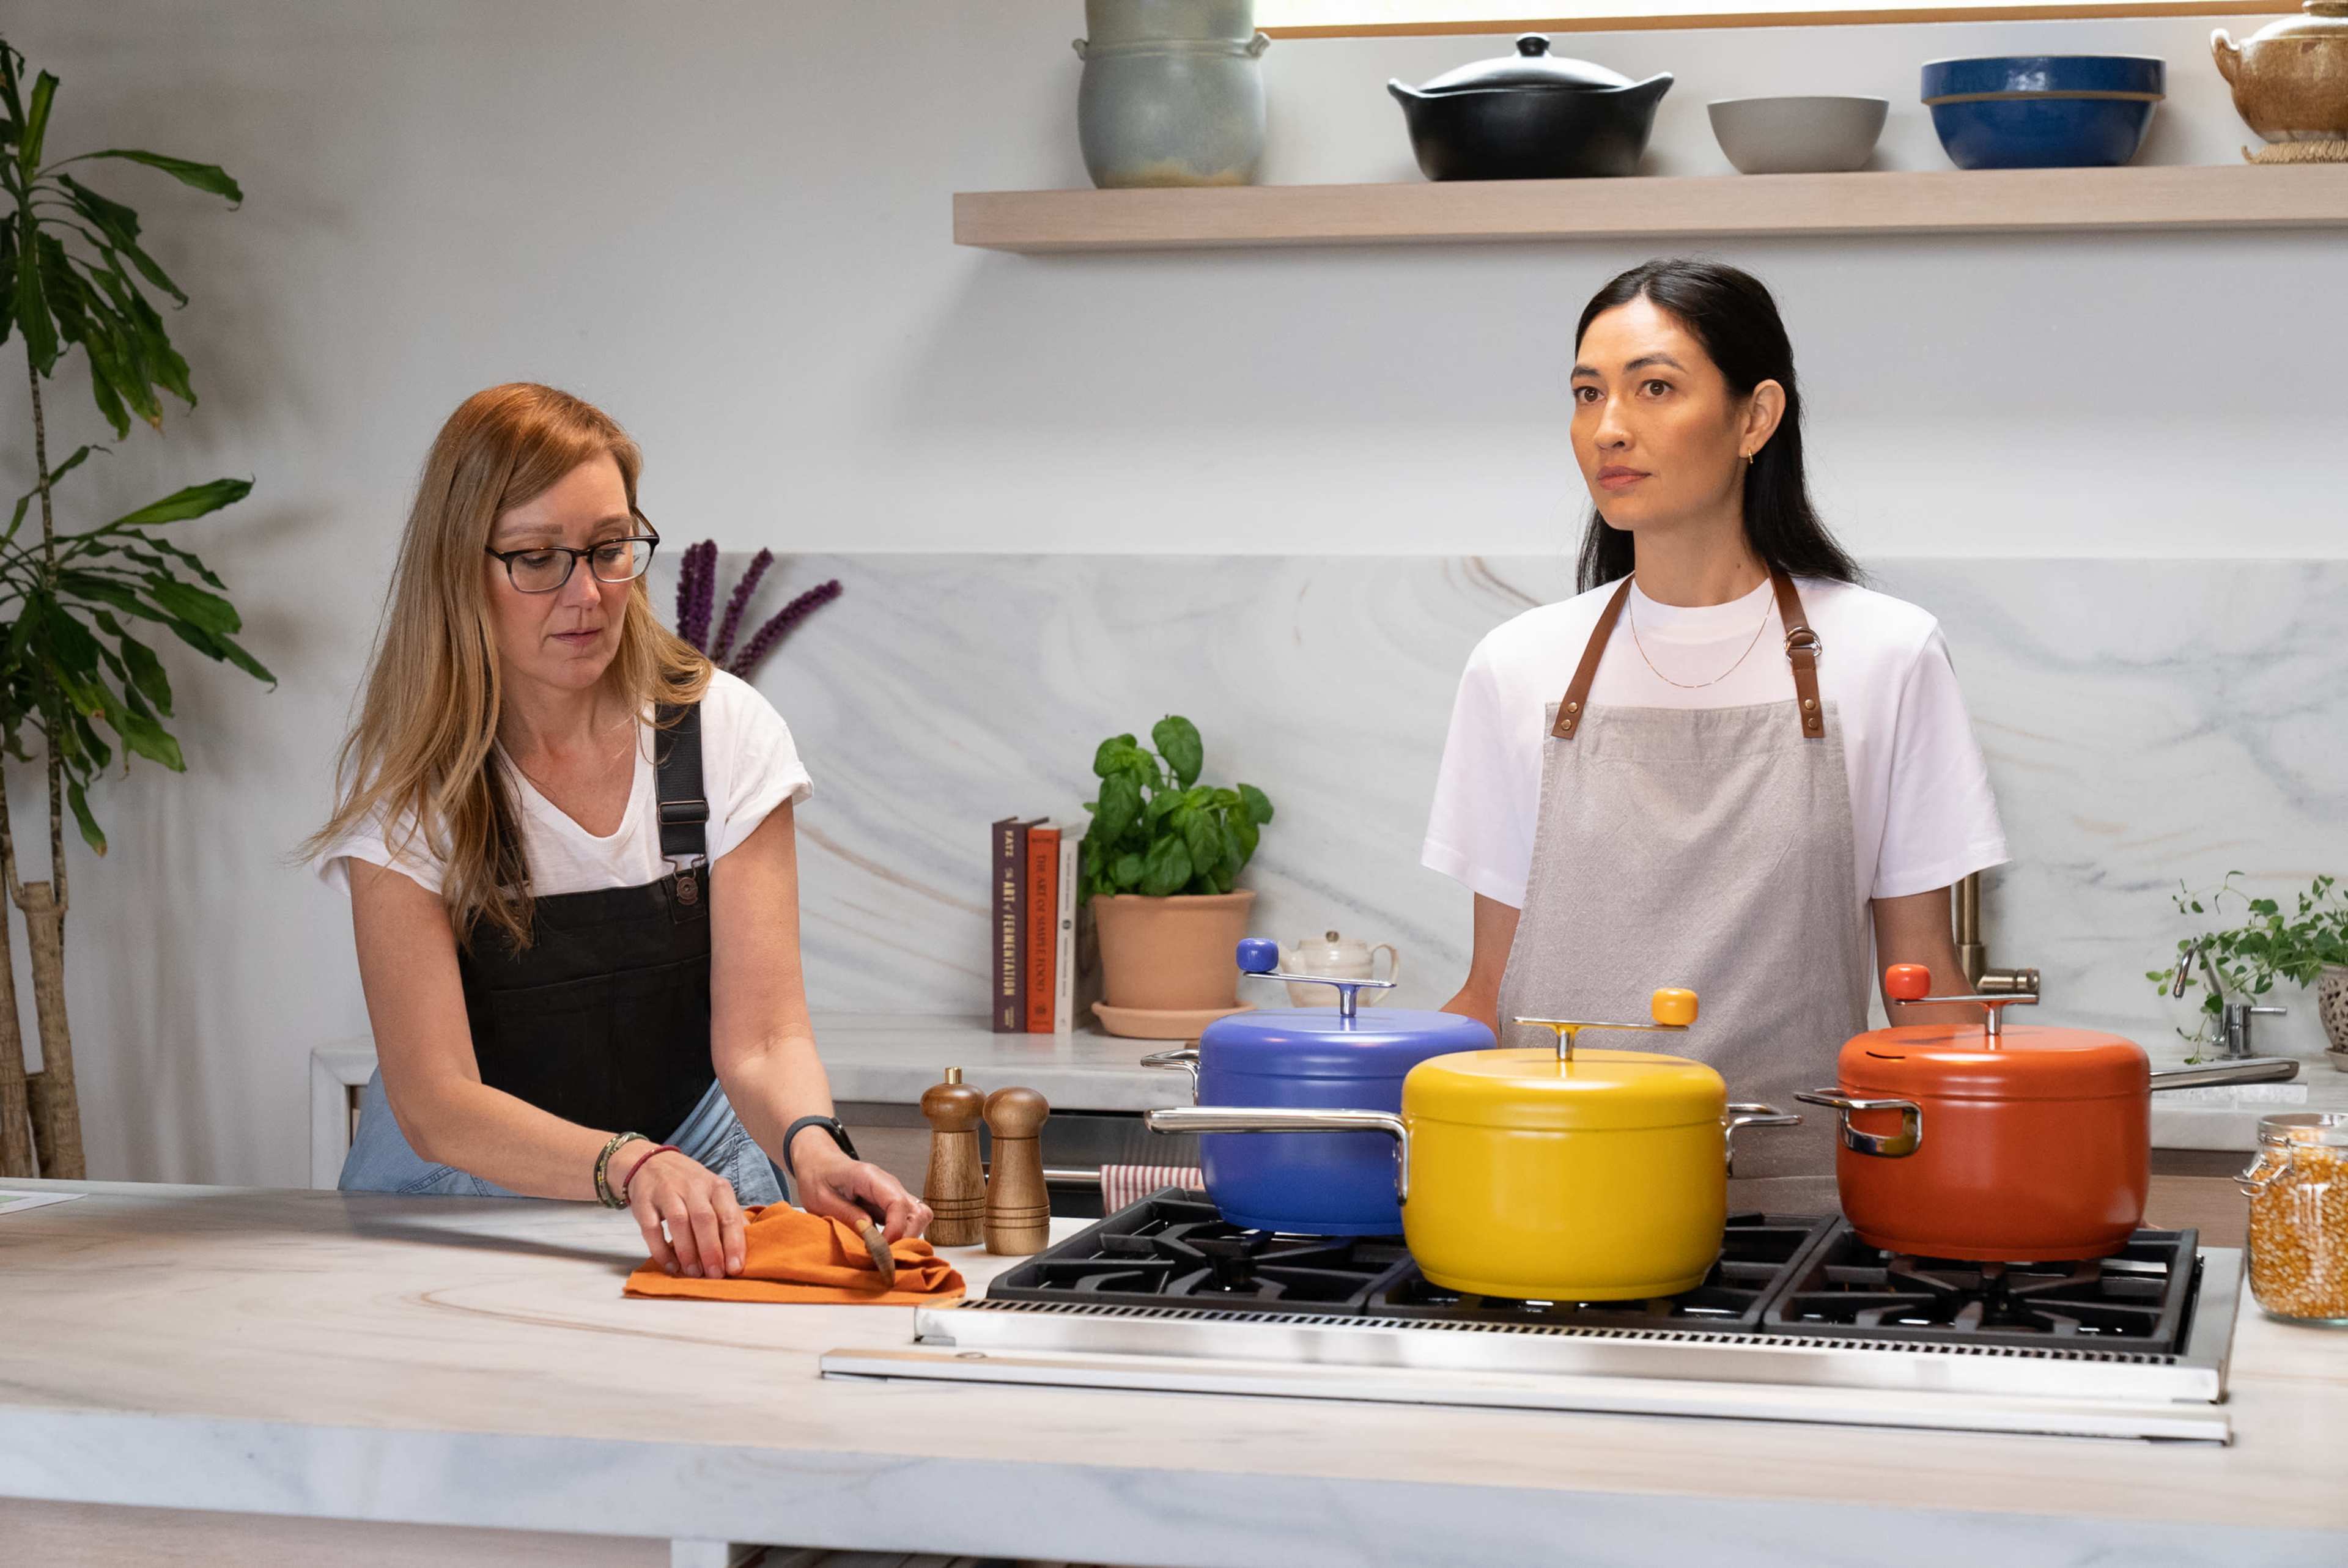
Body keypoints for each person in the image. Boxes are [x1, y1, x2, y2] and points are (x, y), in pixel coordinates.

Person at [309, 383, 929, 1276]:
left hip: (694, 1167)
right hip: (451, 1198)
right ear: (460, 569)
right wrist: (627, 1163)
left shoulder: (724, 733)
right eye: (537, 558)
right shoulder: (416, 787)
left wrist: (812, 1147)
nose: (588, 594)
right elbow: (436, 1100)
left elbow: (761, 1039)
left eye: (610, 549)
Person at [1423, 259, 2007, 1177]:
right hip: (1551, 1198)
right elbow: (1492, 991)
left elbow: (1921, 984)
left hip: (1803, 1217)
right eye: (1588, 393)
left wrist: (2005, 1149)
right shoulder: (1516, 667)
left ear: (1755, 418)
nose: (1608, 428)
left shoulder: (1888, 654)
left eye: (1655, 387)